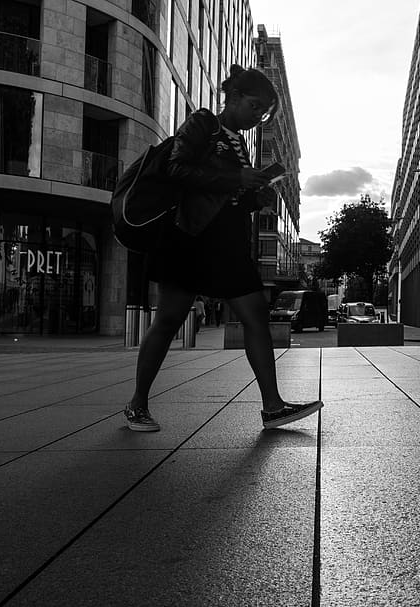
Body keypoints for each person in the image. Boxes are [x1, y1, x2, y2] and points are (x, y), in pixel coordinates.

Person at [125, 64, 323, 432]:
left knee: (255, 317)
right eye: (254, 106)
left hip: (228, 241)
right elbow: (176, 169)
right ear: (232, 97)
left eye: (263, 111)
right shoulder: (203, 124)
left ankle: (273, 406)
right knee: (169, 320)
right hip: (189, 235)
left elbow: (227, 195)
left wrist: (254, 196)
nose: (257, 116)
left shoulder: (240, 143)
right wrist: (237, 177)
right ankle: (138, 403)